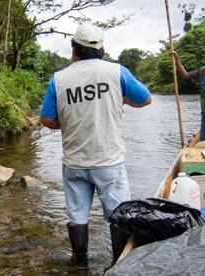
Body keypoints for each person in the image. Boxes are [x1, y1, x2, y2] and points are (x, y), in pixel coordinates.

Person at [40, 24, 151, 269]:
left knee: (77, 215)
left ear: (74, 49)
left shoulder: (58, 79)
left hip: (74, 163)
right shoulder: (116, 72)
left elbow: (46, 119)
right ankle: (119, 265)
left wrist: (70, 121)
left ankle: (79, 263)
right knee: (119, 216)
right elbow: (145, 98)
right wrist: (119, 99)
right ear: (101, 49)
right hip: (108, 161)